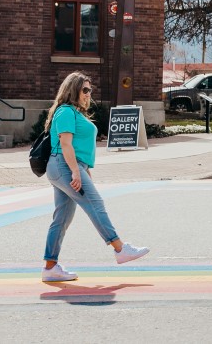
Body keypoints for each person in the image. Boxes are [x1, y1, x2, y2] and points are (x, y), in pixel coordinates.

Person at [42, 72, 149, 282]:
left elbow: (79, 148)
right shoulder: (65, 112)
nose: (88, 94)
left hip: (67, 166)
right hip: (63, 165)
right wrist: (74, 171)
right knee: (95, 203)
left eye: (90, 90)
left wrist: (83, 170)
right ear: (73, 90)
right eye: (85, 90)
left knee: (62, 218)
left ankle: (50, 267)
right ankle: (120, 248)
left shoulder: (75, 113)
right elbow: (65, 144)